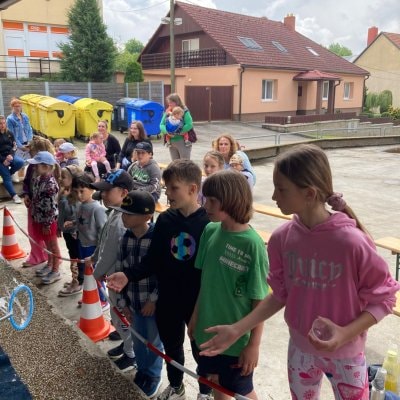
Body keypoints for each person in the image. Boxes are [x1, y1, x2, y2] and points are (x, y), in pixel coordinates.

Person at [198, 144, 400, 400]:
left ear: (309, 194)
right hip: (300, 352)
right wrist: (238, 329)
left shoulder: (351, 242)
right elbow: (280, 294)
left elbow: (384, 299)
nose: (273, 196)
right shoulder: (282, 238)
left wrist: (345, 334)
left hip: (346, 356)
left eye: (281, 189)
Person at [107, 159, 213, 400]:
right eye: (166, 188)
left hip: (197, 302)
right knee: (172, 348)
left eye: (174, 188)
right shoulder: (165, 221)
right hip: (168, 299)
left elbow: (210, 273)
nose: (168, 193)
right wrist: (127, 275)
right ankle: (176, 386)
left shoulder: (208, 224)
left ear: (192, 189)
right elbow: (153, 260)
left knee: (201, 350)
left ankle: (205, 392)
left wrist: (202, 308)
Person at [189, 170, 268, 400]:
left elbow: (260, 300)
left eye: (212, 201)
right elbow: (205, 281)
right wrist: (195, 316)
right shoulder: (210, 230)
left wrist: (253, 345)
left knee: (242, 390)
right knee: (216, 382)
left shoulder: (253, 245)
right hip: (206, 331)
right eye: (206, 199)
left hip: (236, 341)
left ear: (232, 200)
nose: (206, 205)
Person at [111, 190, 164, 398]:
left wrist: (153, 300)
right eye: (123, 213)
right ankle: (142, 370)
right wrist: (123, 302)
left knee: (153, 342)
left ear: (146, 216)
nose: (124, 217)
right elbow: (120, 270)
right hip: (132, 302)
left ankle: (153, 376)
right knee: (138, 339)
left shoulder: (156, 240)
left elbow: (163, 274)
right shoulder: (125, 239)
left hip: (150, 305)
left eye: (129, 214)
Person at [90, 169, 136, 372]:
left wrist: (96, 272)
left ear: (124, 193)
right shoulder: (115, 213)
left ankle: (131, 353)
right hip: (113, 277)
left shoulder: (120, 221)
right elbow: (103, 242)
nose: (103, 194)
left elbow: (109, 252)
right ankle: (127, 345)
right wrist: (94, 258)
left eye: (108, 190)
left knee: (122, 316)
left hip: (120, 281)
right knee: (116, 315)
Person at [70, 173, 108, 309]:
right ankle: (90, 295)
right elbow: (82, 221)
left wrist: (99, 251)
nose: (79, 195)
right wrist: (74, 225)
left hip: (93, 247)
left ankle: (102, 299)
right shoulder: (80, 205)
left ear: (92, 189)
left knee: (96, 274)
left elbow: (103, 231)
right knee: (87, 273)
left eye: (82, 191)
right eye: (76, 192)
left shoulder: (98, 209)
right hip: (82, 244)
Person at [27, 151, 62, 284]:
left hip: (49, 221)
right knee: (47, 244)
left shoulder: (50, 185)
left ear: (46, 167)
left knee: (53, 245)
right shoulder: (38, 180)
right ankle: (49, 264)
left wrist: (47, 224)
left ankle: (55, 270)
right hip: (40, 219)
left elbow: (50, 207)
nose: (34, 167)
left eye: (37, 165)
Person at [21, 136, 55, 268]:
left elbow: (51, 199)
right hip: (33, 205)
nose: (30, 154)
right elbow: (26, 182)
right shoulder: (32, 166)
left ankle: (50, 260)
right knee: (33, 231)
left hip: (46, 210)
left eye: (32, 151)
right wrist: (26, 194)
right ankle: (37, 255)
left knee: (47, 236)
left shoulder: (51, 169)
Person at [57, 165, 84, 297]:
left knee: (77, 257)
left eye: (63, 177)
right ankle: (75, 278)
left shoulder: (77, 196)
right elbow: (61, 214)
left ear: (73, 179)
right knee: (72, 255)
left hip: (74, 232)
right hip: (67, 231)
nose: (60, 179)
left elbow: (73, 214)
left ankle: (78, 282)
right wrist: (59, 227)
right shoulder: (64, 192)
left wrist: (63, 199)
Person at [160, 93, 193, 161]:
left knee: (184, 163)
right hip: (171, 142)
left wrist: (178, 132)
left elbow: (189, 124)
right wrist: (167, 132)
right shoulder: (168, 111)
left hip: (183, 141)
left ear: (177, 102)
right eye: (168, 102)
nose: (169, 104)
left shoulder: (184, 111)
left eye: (171, 102)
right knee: (175, 163)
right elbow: (161, 124)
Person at [0, 115, 24, 203]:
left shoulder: (9, 133)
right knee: (6, 177)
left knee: (20, 162)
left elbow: (14, 146)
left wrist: (11, 155)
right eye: (0, 123)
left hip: (9, 155)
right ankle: (14, 195)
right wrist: (3, 160)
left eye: (3, 123)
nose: (2, 125)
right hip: (1, 159)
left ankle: (9, 173)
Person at [6, 97, 33, 164]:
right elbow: (12, 135)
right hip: (18, 146)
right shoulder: (10, 119)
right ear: (12, 107)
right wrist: (21, 146)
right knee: (21, 164)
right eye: (16, 106)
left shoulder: (25, 116)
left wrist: (30, 141)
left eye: (19, 106)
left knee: (29, 163)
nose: (18, 108)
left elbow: (29, 129)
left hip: (27, 144)